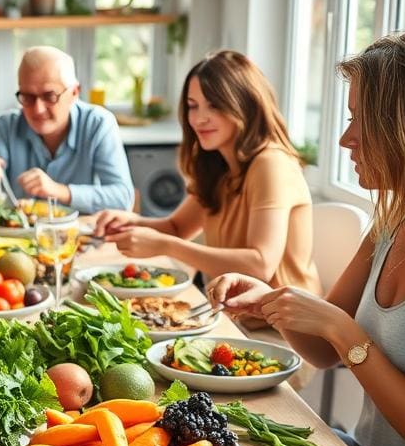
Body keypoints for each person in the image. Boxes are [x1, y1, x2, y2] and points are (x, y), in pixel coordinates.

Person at [208, 34, 405, 446]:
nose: (344, 138)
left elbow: (339, 337)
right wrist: (269, 301)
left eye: (361, 120)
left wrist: (344, 330)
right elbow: (322, 351)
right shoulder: (389, 224)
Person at [92, 50, 320, 294]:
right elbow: (177, 228)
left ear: (244, 104)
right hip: (232, 312)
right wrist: (132, 223)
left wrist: (166, 246)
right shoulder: (220, 165)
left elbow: (260, 265)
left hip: (278, 327)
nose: (200, 119)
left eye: (214, 105)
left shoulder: (271, 164)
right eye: (193, 106)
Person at [0, 46, 133, 214]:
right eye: (27, 97)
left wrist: (59, 191)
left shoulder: (98, 124)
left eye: (49, 96)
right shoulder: (7, 126)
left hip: (82, 236)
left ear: (74, 92)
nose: (38, 109)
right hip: (18, 239)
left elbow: (123, 198)